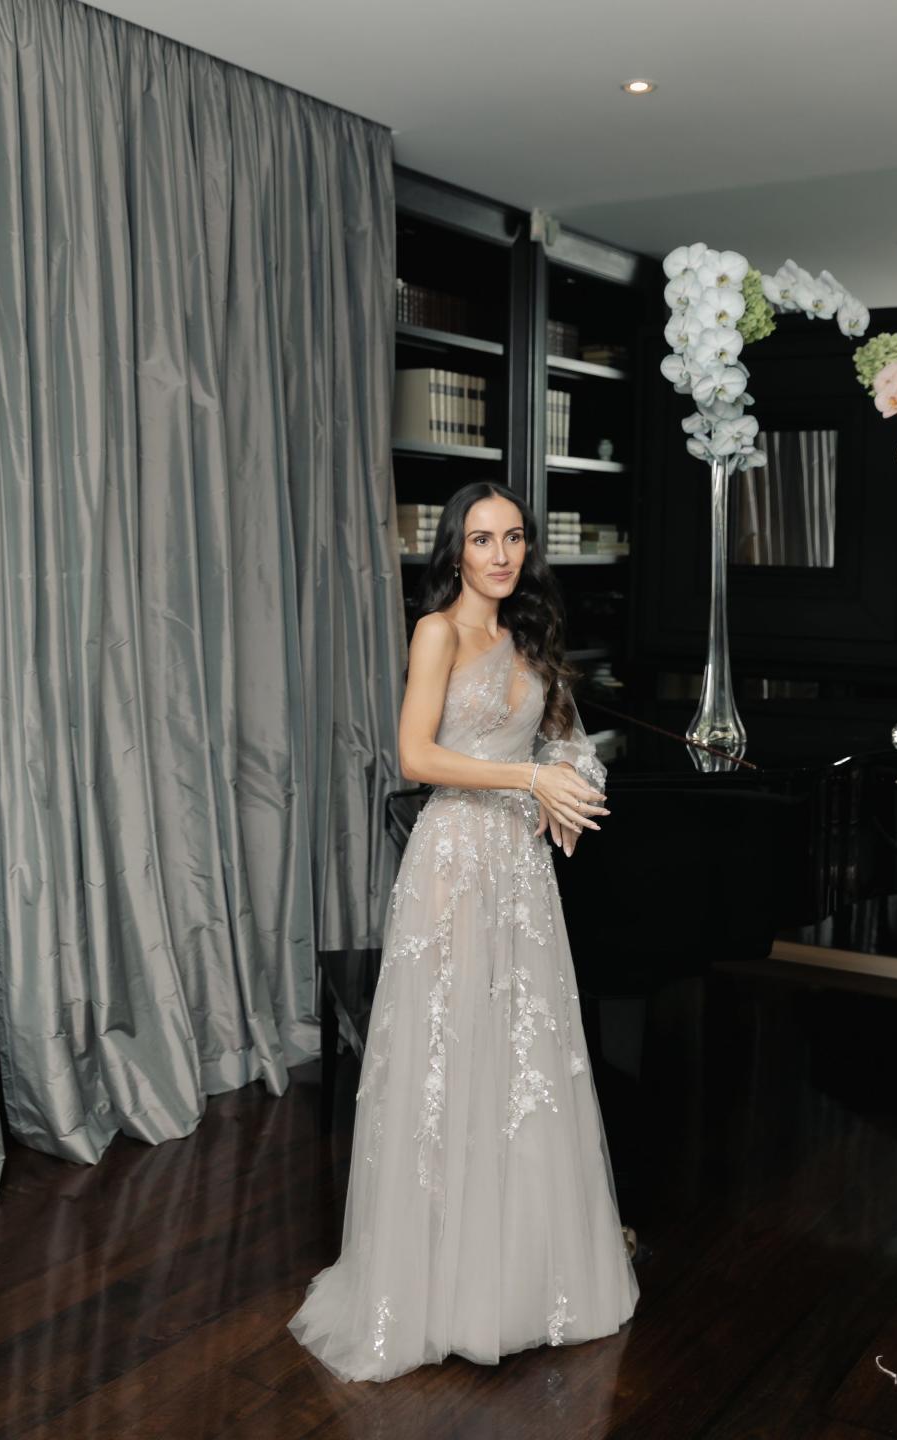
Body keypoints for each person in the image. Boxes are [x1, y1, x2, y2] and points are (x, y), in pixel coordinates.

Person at [287, 481, 640, 1381]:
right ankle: (434, 1283)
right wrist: (529, 784)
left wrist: (567, 785)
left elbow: (563, 739)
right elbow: (415, 756)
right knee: (450, 1058)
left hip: (521, 875)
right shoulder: (438, 631)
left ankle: (520, 1279)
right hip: (452, 864)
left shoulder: (531, 635)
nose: (501, 553)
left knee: (521, 1064)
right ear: (455, 550)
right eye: (482, 539)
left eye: (514, 537)